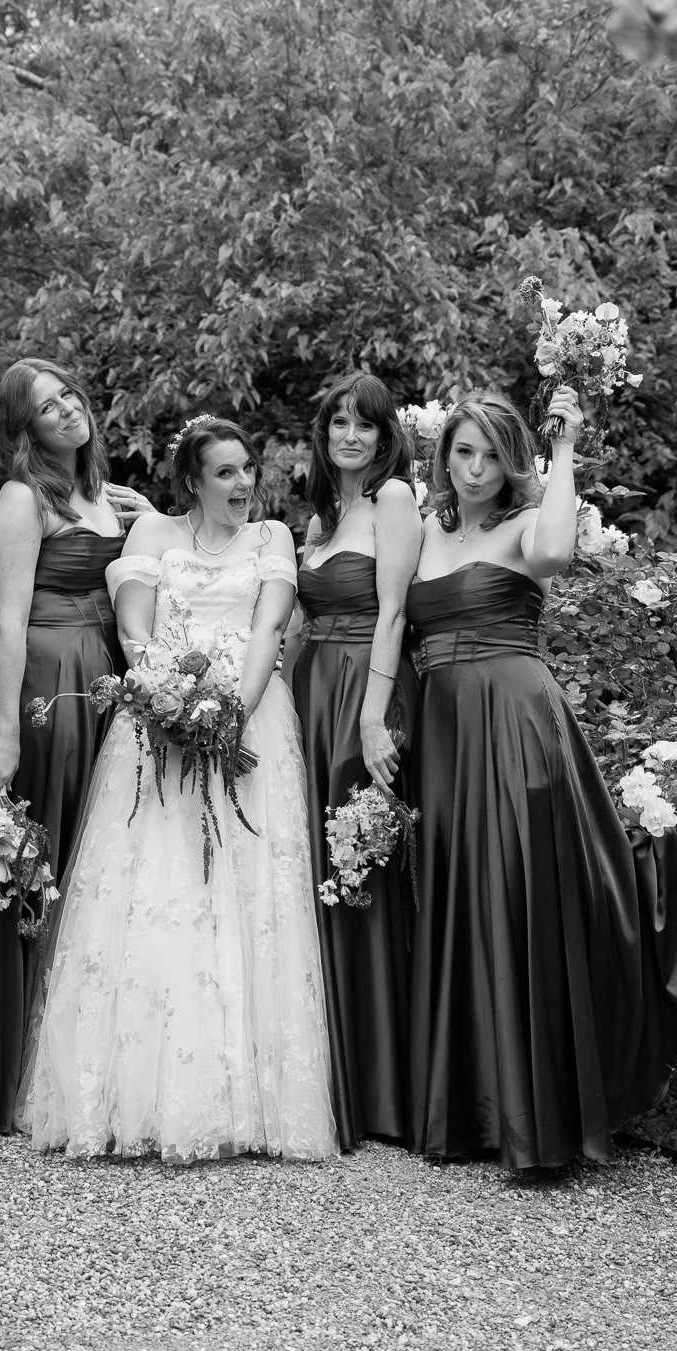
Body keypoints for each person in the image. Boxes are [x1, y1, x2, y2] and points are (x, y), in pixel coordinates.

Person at [404, 387, 677, 1172]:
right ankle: (468, 1106)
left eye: (491, 453)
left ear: (513, 460)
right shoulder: (422, 529)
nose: (476, 468)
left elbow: (554, 557)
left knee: (522, 892)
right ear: (443, 455)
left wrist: (564, 446)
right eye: (462, 451)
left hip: (517, 720)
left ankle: (534, 1110)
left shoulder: (529, 524)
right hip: (444, 732)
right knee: (466, 895)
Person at [18, 415, 337, 1163]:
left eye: (246, 469)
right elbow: (133, 630)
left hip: (250, 720)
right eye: (223, 472)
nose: (242, 483)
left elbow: (267, 631)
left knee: (250, 897)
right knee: (155, 895)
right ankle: (129, 1096)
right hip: (157, 721)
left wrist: (230, 713)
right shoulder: (152, 535)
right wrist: (167, 695)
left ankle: (250, 1102)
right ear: (191, 481)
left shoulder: (271, 540)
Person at [0, 358, 146, 1131]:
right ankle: (21, 1064)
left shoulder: (103, 497)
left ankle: (94, 1056)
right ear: (25, 429)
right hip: (51, 681)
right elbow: (8, 620)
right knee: (51, 857)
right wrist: (4, 734)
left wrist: (138, 518)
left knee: (101, 859)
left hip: (105, 674)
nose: (67, 411)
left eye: (71, 395)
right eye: (46, 408)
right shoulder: (19, 499)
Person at [292, 372, 421, 1149]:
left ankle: (381, 1086)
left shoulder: (393, 501)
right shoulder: (321, 513)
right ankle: (330, 1070)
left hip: (366, 693)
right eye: (337, 421)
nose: (349, 434)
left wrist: (373, 717)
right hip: (313, 695)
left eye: (363, 424)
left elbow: (396, 610)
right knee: (318, 863)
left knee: (364, 863)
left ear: (384, 436)